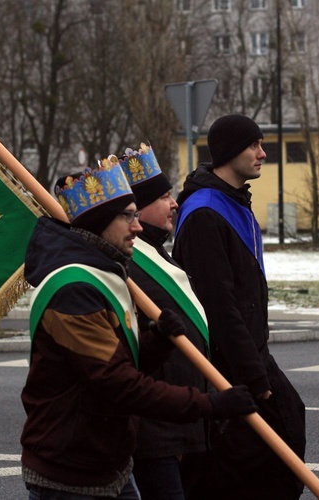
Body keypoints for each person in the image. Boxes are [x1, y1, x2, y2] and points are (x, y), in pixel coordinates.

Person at [20, 158, 257, 499]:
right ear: (100, 222)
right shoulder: (74, 289)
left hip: (106, 465)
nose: (137, 227)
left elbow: (112, 364)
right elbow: (118, 384)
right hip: (71, 475)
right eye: (127, 216)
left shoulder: (101, 273)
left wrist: (155, 343)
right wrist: (210, 404)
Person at [173, 114, 307, 499]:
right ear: (231, 152)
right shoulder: (204, 212)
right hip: (230, 364)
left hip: (252, 354)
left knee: (288, 425)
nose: (263, 153)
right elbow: (220, 305)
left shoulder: (233, 203)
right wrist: (254, 376)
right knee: (248, 465)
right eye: (254, 146)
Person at [118, 143, 213, 500]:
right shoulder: (130, 264)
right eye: (164, 196)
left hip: (177, 421)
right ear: (138, 209)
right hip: (154, 427)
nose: (174, 203)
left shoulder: (155, 252)